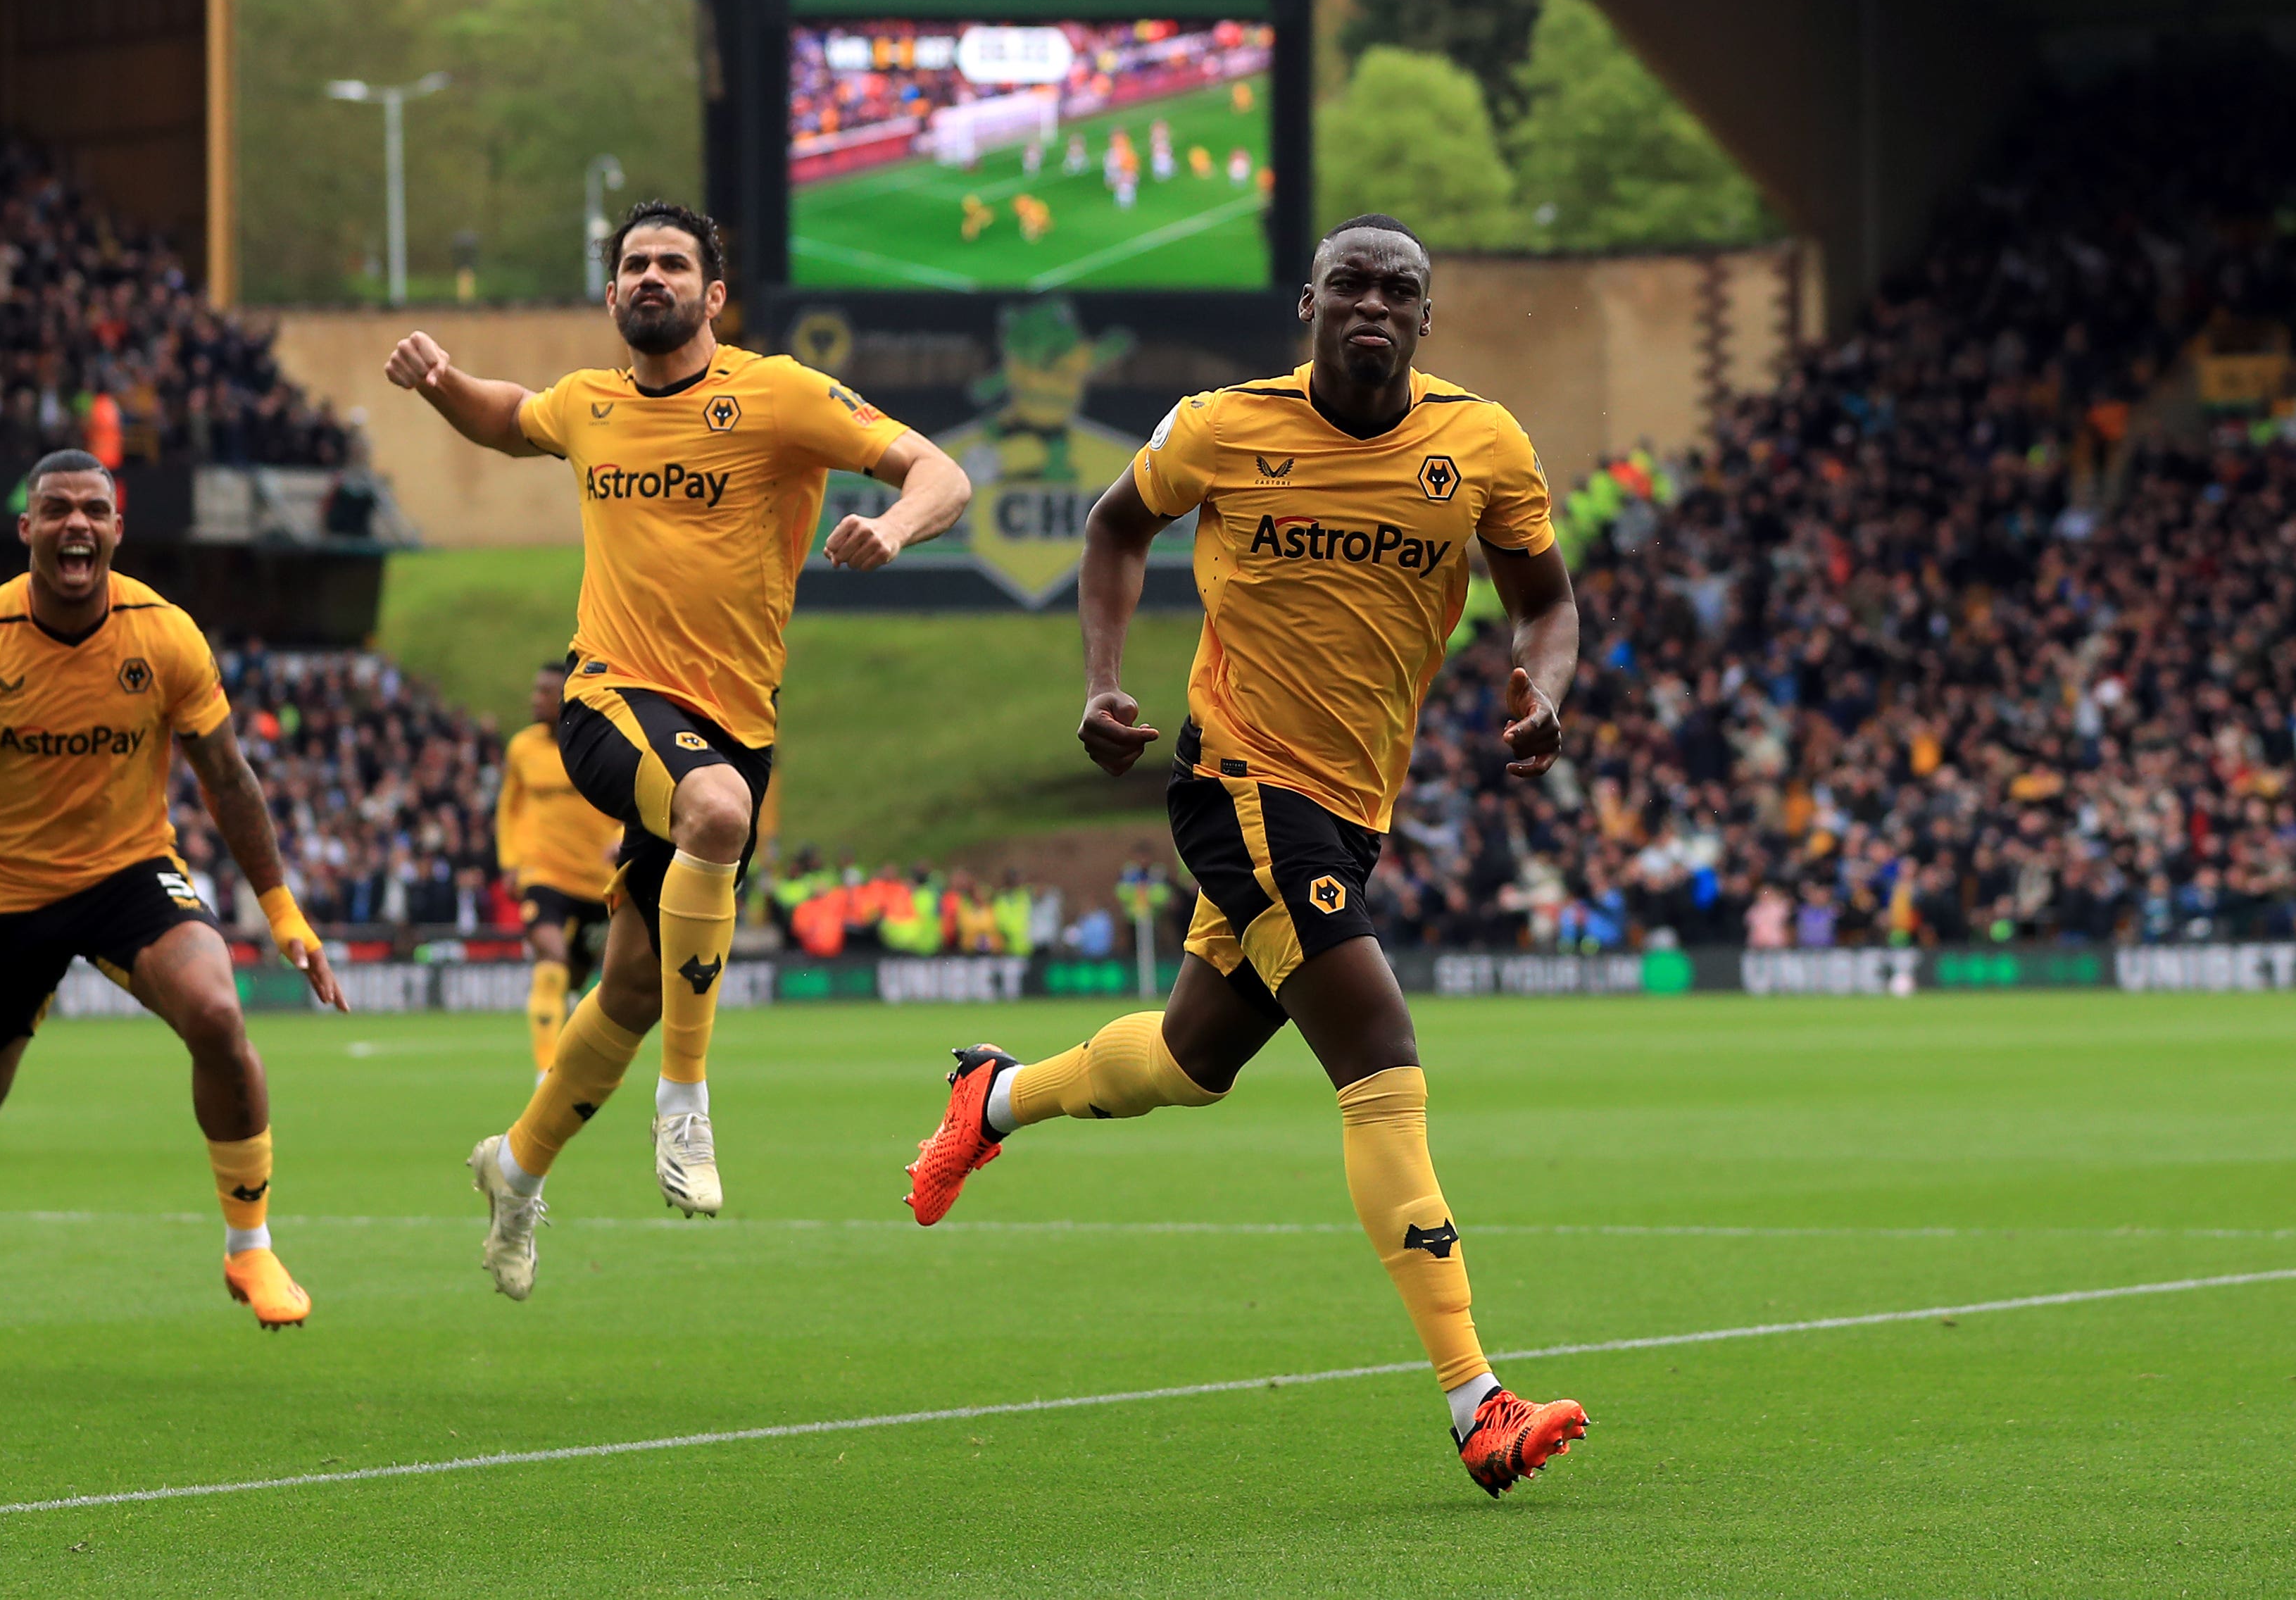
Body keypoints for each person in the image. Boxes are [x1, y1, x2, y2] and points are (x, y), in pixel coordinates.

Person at [903, 215, 1592, 1498]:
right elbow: (1114, 528)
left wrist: (1543, 689)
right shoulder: (1221, 425)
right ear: (1308, 304)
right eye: (1349, 285)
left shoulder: (1479, 445)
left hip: (1353, 808)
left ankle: (989, 1097)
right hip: (1239, 782)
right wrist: (1101, 683)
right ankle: (1473, 1402)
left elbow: (1542, 598)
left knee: (1188, 1061)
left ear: (1425, 319)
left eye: (1397, 289)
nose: (1371, 305)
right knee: (1378, 1061)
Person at [385, 199, 970, 1292]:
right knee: (715, 813)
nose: (649, 277)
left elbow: (940, 470)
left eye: (672, 263)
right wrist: (438, 382)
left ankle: (512, 1170)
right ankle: (686, 1105)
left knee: (634, 984)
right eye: (632, 265)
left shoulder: (780, 391)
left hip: (733, 725)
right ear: (611, 297)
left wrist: (891, 525)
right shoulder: (589, 403)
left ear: (711, 294)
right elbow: (509, 416)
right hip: (606, 698)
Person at [0, 449, 346, 1368]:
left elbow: (228, 779)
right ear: (28, 529)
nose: (76, 525)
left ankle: (250, 1248)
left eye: (94, 509)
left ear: (117, 530)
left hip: (130, 873)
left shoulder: (162, 634)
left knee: (217, 1014)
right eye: (56, 510)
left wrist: (284, 913)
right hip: (4, 893)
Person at [498, 657, 622, 1073]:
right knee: (550, 958)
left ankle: (568, 1024)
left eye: (545, 692)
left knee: (585, 978)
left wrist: (623, 840)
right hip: (543, 874)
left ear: (568, 696)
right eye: (536, 691)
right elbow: (509, 808)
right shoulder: (522, 748)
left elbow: (635, 799)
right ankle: (545, 1071)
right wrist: (511, 861)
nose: (536, 699)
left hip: (597, 879)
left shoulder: (602, 744)